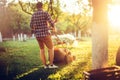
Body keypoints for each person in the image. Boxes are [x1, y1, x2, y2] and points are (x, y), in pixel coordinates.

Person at [30, 2, 58, 69]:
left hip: (38, 35)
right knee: (51, 48)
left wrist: (36, 28)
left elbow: (31, 25)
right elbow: (51, 22)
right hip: (45, 34)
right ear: (42, 6)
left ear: (36, 7)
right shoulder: (45, 13)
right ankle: (51, 65)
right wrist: (54, 27)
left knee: (42, 50)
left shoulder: (33, 15)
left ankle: (45, 65)